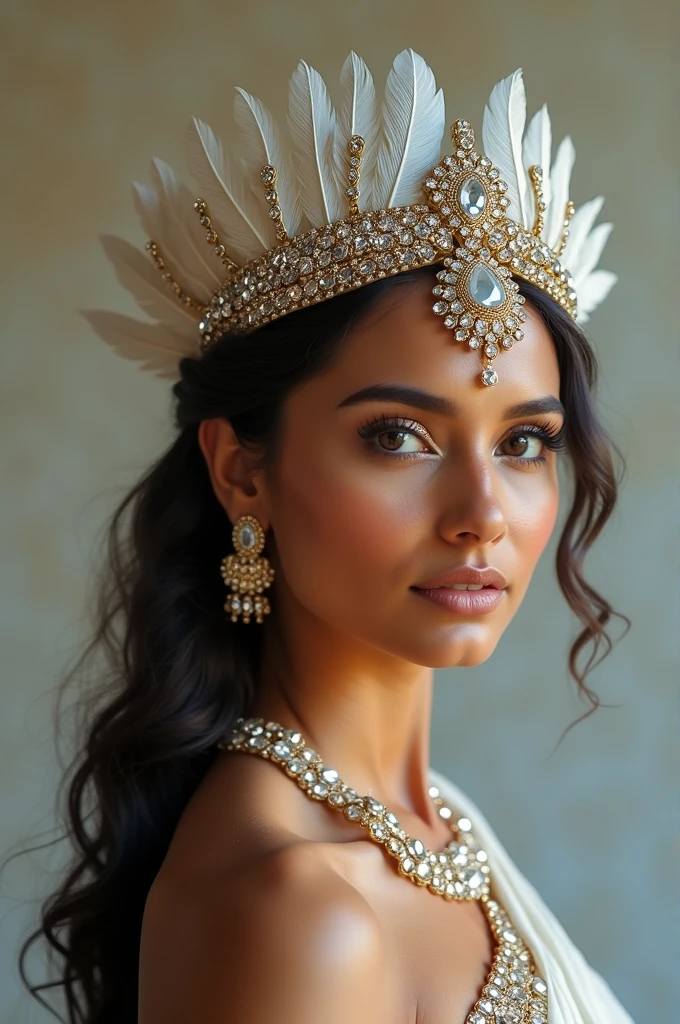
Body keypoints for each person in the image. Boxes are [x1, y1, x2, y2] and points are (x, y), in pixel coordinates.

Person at [15, 50, 635, 1023]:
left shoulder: (440, 824)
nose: (479, 510)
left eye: (523, 441)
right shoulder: (295, 911)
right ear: (241, 471)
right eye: (397, 436)